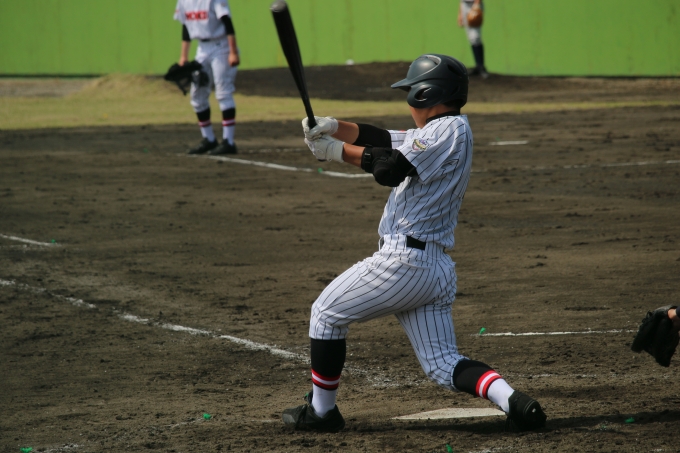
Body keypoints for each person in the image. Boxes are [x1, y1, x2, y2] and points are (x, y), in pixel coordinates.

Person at [282, 54, 546, 432]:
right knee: (442, 364)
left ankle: (322, 412)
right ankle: (514, 401)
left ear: (426, 93)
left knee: (325, 314)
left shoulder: (446, 130)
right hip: (432, 268)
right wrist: (333, 127)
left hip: (404, 263)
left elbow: (389, 167)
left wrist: (335, 151)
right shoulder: (444, 131)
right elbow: (381, 140)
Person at [174, 0, 240, 155]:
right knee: (197, 95)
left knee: (223, 93)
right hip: (202, 49)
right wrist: (183, 56)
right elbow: (185, 27)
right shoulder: (183, 1)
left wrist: (233, 52)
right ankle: (209, 139)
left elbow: (227, 23)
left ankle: (229, 141)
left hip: (222, 47)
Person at [458, 0, 488, 79]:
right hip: (464, 4)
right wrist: (460, 13)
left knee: (476, 37)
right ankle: (478, 66)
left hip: (474, 5)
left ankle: (481, 66)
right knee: (471, 38)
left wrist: (476, 5)